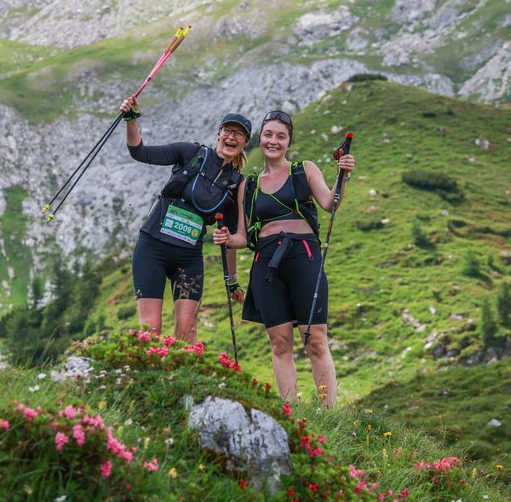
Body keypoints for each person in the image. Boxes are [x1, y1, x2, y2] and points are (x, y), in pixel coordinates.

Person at [213, 110, 355, 408]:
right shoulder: (247, 185)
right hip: (265, 263)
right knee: (280, 343)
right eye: (268, 135)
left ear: (288, 142)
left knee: (314, 338)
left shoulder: (304, 169)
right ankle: (290, 413)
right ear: (259, 140)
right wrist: (227, 239)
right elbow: (241, 236)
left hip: (304, 255)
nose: (273, 141)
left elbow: (331, 203)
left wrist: (343, 176)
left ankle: (328, 412)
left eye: (281, 136)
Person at [121, 95, 248, 342]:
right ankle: (147, 379)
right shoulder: (192, 153)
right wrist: (131, 119)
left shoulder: (236, 183)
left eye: (239, 134)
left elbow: (230, 238)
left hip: (188, 258)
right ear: (219, 134)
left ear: (245, 143)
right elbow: (140, 152)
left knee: (187, 332)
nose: (231, 137)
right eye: (227, 131)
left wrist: (232, 281)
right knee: (151, 329)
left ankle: (180, 380)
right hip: (153, 248)